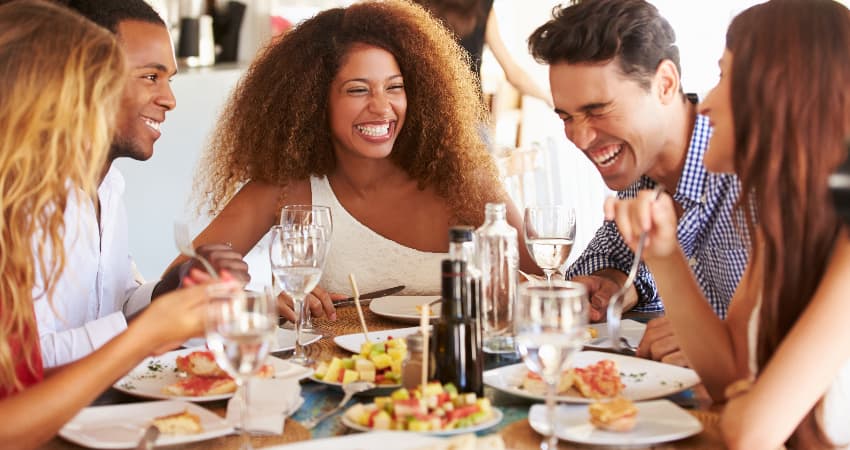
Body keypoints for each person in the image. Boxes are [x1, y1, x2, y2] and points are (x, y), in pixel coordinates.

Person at [187, 0, 538, 322]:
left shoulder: (464, 181)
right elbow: (184, 282)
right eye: (358, 89)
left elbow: (542, 279)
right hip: (337, 384)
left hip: (453, 381)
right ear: (313, 100)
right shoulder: (286, 190)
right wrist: (255, 302)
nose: (382, 107)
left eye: (395, 87)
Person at [605, 0, 850, 447]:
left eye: (724, 76)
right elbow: (725, 378)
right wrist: (664, 255)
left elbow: (747, 431)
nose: (707, 104)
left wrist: (749, 401)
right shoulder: (783, 226)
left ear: (778, 93)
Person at [0, 2, 211, 448]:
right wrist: (143, 334)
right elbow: (25, 376)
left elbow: (103, 303)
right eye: (92, 89)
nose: (169, 98)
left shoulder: (102, 189)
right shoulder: (21, 209)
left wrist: (164, 296)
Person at [528, 0, 748, 366]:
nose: (580, 138)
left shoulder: (750, 173)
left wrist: (720, 340)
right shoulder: (641, 169)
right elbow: (614, 256)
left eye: (598, 110)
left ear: (664, 84)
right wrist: (613, 283)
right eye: (567, 117)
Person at [32, 0, 248, 368]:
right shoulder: (27, 199)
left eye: (169, 79)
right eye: (151, 76)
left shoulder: (110, 187)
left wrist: (171, 287)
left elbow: (114, 303)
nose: (169, 99)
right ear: (86, 79)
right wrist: (147, 328)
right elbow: (28, 360)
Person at [413, 0, 552, 107]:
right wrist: (548, 98)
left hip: (422, 109)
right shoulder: (482, 7)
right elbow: (513, 73)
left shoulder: (412, 5)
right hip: (468, 115)